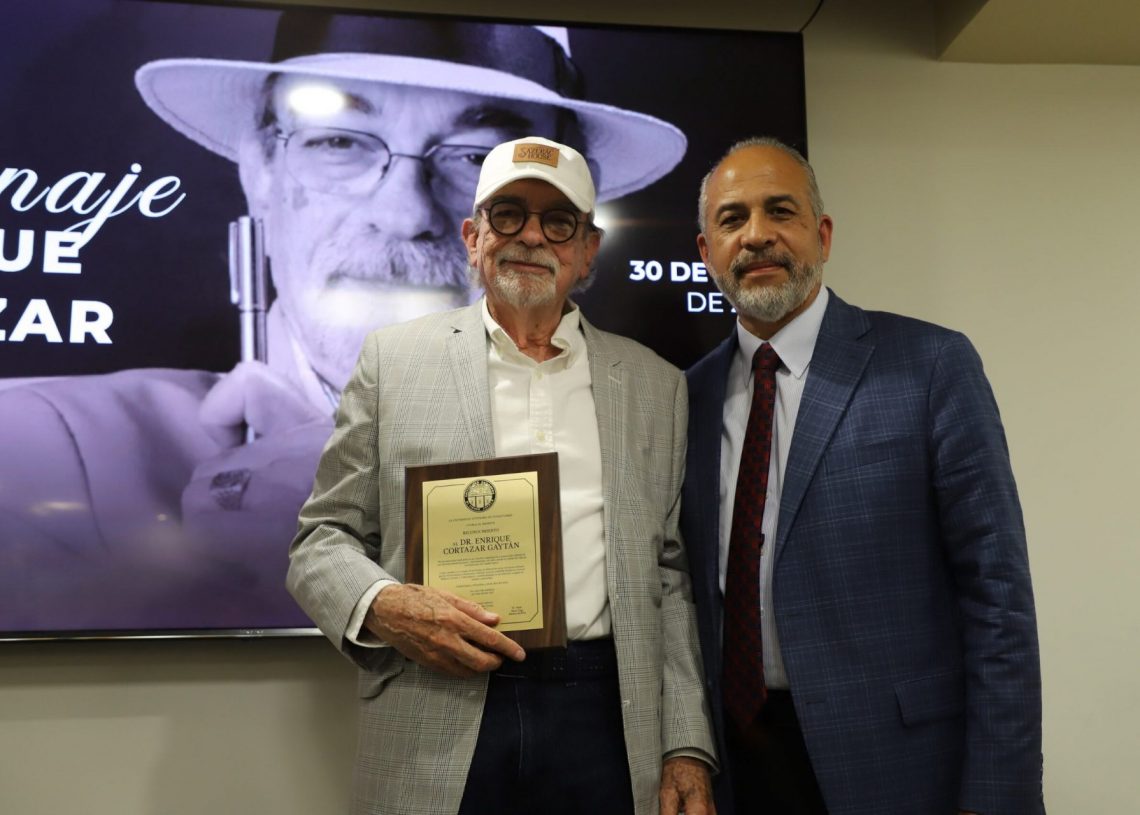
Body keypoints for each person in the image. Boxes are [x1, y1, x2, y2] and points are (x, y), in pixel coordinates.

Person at [0, 11, 686, 632]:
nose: (404, 212)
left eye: (476, 157)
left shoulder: (641, 418)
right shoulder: (51, 445)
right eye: (338, 141)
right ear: (259, 170)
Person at [286, 136, 715, 815]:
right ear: (473, 237)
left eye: (558, 221)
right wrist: (386, 606)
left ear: (588, 251)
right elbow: (320, 541)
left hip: (604, 712)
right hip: (437, 697)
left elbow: (669, 574)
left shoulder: (655, 385)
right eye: (508, 214)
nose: (531, 237)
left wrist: (686, 743)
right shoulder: (392, 362)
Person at [680, 137, 1043, 815]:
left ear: (821, 235)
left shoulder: (930, 365)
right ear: (706, 252)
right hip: (738, 765)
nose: (756, 235)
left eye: (779, 211)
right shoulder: (687, 397)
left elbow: (997, 596)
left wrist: (998, 794)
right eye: (732, 219)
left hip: (900, 767)